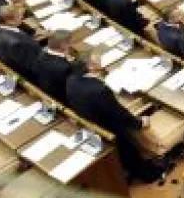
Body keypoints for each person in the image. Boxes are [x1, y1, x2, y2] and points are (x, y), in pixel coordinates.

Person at [66, 50, 162, 181]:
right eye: (97, 60)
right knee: (129, 151)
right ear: (90, 67)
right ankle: (148, 175)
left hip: (91, 121)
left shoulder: (71, 80)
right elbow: (118, 113)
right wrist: (139, 123)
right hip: (109, 128)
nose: (101, 61)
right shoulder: (99, 89)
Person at [0, 4, 40, 80]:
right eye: (19, 16)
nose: (22, 18)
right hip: (33, 72)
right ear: (10, 21)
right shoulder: (16, 44)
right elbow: (31, 65)